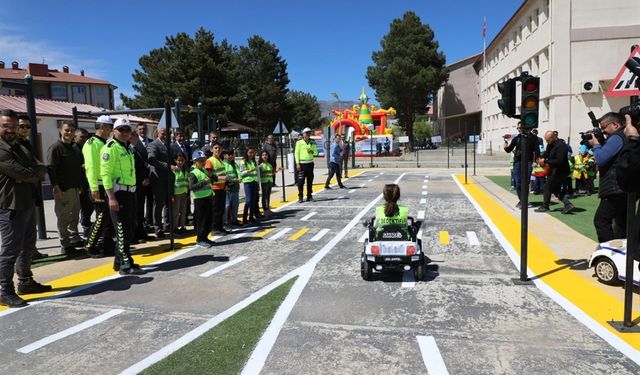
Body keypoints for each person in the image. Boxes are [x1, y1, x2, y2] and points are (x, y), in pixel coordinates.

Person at [0, 109, 51, 307]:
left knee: (28, 245)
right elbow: (25, 173)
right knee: (10, 250)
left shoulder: (19, 146)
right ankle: (5, 289)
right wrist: (29, 174)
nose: (11, 130)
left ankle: (25, 281)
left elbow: (39, 168)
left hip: (27, 202)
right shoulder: (2, 148)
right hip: (9, 206)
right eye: (6, 126)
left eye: (13, 126)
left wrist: (30, 173)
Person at [101, 118, 145, 275]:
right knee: (122, 231)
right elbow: (105, 175)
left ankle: (121, 261)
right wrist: (111, 197)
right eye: (121, 129)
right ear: (114, 131)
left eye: (128, 130)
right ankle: (125, 266)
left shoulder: (128, 148)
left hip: (130, 192)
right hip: (118, 194)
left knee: (130, 229)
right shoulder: (110, 148)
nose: (125, 132)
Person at [589, 112, 628, 242]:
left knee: (601, 220)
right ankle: (623, 254)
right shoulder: (625, 135)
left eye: (604, 127)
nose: (603, 131)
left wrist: (596, 144)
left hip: (615, 188)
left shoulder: (617, 137)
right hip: (624, 186)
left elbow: (600, 159)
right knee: (622, 223)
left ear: (615, 124)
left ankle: (607, 251)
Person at [47, 121, 85, 255]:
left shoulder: (73, 148)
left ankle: (74, 239)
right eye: (66, 130)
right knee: (63, 218)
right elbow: (51, 169)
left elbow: (77, 168)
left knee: (74, 216)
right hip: (63, 190)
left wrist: (79, 185)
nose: (69, 133)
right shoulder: (56, 148)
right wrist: (56, 187)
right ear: (61, 131)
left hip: (74, 188)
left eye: (71, 131)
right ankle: (65, 244)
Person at [15, 115, 48, 261]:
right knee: (20, 228)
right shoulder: (12, 145)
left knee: (31, 224)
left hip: (31, 189)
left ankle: (31, 250)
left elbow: (37, 166)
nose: (25, 129)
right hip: (18, 193)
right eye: (22, 126)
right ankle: (23, 256)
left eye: (28, 126)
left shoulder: (26, 143)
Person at [83, 115, 115, 258]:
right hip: (98, 186)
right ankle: (89, 245)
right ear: (102, 127)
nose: (111, 130)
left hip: (106, 186)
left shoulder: (103, 143)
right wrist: (94, 189)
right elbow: (90, 168)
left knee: (107, 219)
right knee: (101, 218)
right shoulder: (92, 143)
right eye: (109, 127)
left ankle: (107, 246)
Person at [535, 131, 574, 214]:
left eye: (548, 140)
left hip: (560, 171)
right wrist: (540, 158)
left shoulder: (561, 146)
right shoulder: (550, 144)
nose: (547, 142)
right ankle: (568, 204)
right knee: (555, 189)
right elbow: (546, 153)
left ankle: (545, 206)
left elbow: (559, 160)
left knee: (547, 187)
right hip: (554, 171)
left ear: (553, 138)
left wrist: (545, 161)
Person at [503, 122, 539, 208]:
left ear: (525, 127)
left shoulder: (533, 138)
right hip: (517, 162)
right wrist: (505, 147)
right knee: (518, 183)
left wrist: (535, 161)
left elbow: (537, 151)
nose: (519, 129)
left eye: (520, 128)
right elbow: (509, 149)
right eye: (517, 128)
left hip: (528, 162)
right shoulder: (517, 138)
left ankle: (524, 201)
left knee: (525, 183)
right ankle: (522, 200)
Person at [147, 128, 172, 238]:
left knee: (168, 201)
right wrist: (166, 166)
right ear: (157, 133)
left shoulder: (168, 145)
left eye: (167, 134)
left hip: (167, 178)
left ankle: (166, 224)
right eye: (163, 134)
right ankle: (157, 227)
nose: (165, 135)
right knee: (159, 202)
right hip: (158, 178)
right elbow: (151, 160)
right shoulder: (153, 144)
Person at [189, 150, 215, 248]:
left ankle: (205, 237)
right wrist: (204, 182)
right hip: (200, 199)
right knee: (201, 220)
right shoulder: (193, 173)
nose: (203, 163)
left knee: (208, 219)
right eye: (200, 161)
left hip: (208, 197)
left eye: (204, 160)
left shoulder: (204, 170)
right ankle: (200, 238)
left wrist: (213, 176)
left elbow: (211, 179)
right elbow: (192, 187)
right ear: (195, 161)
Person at [129, 130, 151, 243]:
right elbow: (132, 169)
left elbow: (144, 165)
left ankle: (141, 232)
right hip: (135, 184)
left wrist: (146, 177)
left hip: (142, 183)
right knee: (135, 211)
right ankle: (135, 235)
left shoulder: (137, 149)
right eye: (135, 136)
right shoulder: (129, 150)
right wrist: (140, 180)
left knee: (140, 210)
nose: (137, 138)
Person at [73, 128, 93, 237]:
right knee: (85, 208)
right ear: (75, 137)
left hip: (88, 182)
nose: (84, 139)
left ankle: (87, 225)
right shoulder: (74, 149)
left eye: (86, 137)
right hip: (80, 184)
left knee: (89, 206)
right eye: (82, 137)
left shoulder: (86, 147)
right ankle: (85, 228)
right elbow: (75, 169)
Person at [205, 143, 229, 234]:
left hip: (222, 188)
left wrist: (226, 184)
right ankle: (214, 228)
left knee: (221, 209)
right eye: (215, 148)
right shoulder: (210, 160)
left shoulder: (220, 160)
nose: (217, 150)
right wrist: (220, 179)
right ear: (211, 150)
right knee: (216, 210)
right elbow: (209, 175)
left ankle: (220, 227)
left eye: (219, 148)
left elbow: (223, 173)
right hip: (214, 188)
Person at [135, 123, 154, 229]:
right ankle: (141, 222)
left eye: (144, 129)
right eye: (140, 129)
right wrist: (143, 177)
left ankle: (149, 220)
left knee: (151, 200)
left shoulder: (151, 142)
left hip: (152, 177)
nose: (142, 130)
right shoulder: (134, 143)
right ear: (137, 131)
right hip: (141, 178)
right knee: (140, 201)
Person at [294, 127, 318, 203]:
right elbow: (296, 153)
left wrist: (312, 151)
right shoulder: (299, 142)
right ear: (303, 134)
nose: (308, 134)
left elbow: (316, 153)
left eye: (309, 133)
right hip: (302, 164)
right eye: (306, 133)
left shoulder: (312, 142)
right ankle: (300, 196)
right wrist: (297, 163)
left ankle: (309, 196)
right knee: (300, 181)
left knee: (310, 181)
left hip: (310, 164)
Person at [240, 146, 261, 224]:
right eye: (250, 153)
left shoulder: (254, 161)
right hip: (248, 182)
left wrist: (258, 184)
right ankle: (245, 218)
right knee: (248, 200)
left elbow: (257, 173)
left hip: (255, 182)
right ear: (246, 153)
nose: (251, 154)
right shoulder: (243, 161)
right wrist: (251, 170)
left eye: (253, 153)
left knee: (253, 200)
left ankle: (251, 217)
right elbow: (242, 173)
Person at [223, 149, 241, 227]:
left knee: (235, 205)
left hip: (235, 188)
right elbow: (224, 176)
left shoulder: (235, 164)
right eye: (228, 154)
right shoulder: (223, 164)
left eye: (232, 154)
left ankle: (234, 220)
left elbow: (239, 174)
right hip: (227, 188)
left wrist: (239, 179)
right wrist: (233, 181)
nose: (230, 156)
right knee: (226, 206)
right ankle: (224, 222)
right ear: (225, 156)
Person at [172, 152, 189, 234]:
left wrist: (188, 194)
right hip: (176, 194)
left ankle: (183, 227)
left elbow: (187, 182)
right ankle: (175, 228)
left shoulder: (186, 170)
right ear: (175, 161)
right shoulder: (174, 170)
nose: (180, 162)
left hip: (184, 193)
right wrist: (172, 195)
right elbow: (172, 183)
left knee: (183, 211)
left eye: (182, 160)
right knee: (176, 212)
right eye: (179, 160)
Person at [259, 150, 280, 215]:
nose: (264, 156)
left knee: (268, 195)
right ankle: (265, 209)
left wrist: (277, 170)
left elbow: (272, 173)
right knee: (264, 195)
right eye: (263, 155)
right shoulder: (260, 165)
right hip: (264, 181)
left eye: (266, 155)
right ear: (261, 156)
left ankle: (267, 208)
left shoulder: (269, 164)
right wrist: (269, 172)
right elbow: (260, 174)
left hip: (269, 181)